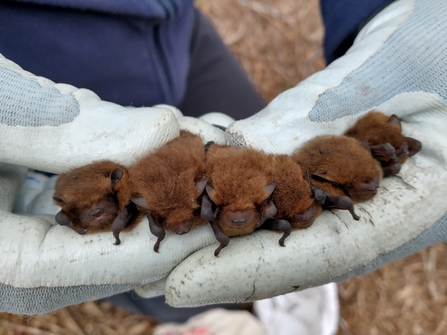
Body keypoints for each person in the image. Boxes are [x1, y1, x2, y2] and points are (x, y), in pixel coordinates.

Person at [0, 0, 446, 326]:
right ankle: (201, 312)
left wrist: (391, 16)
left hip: (172, 32)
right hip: (35, 139)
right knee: (175, 280)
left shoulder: (253, 184)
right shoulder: (144, 194)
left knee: (252, 160)